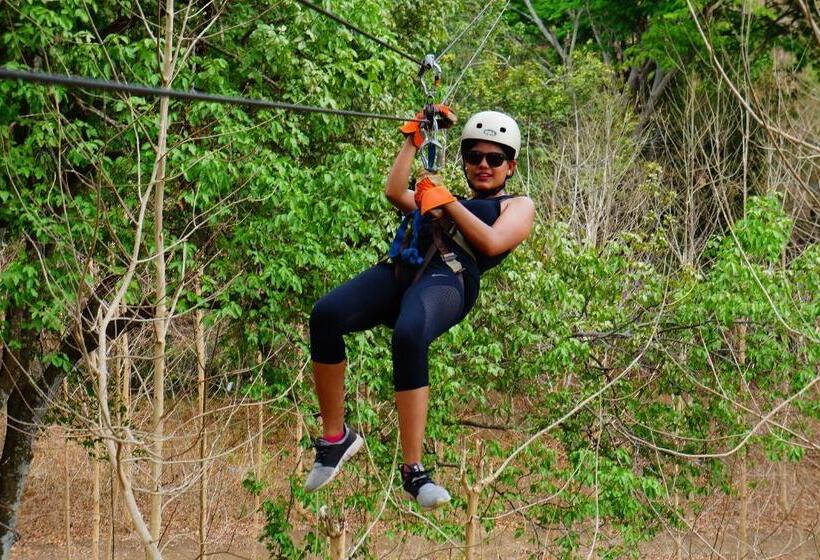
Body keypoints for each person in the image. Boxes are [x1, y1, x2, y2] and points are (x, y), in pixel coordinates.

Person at [304, 108, 535, 510]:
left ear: (510, 166)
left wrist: (444, 201)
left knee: (410, 334)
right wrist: (413, 141)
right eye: (474, 157)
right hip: (403, 271)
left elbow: (493, 243)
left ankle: (414, 471)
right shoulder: (444, 199)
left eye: (494, 159)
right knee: (325, 315)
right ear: (463, 161)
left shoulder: (517, 205)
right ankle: (335, 437)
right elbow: (396, 192)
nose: (483, 165)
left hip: (450, 280)